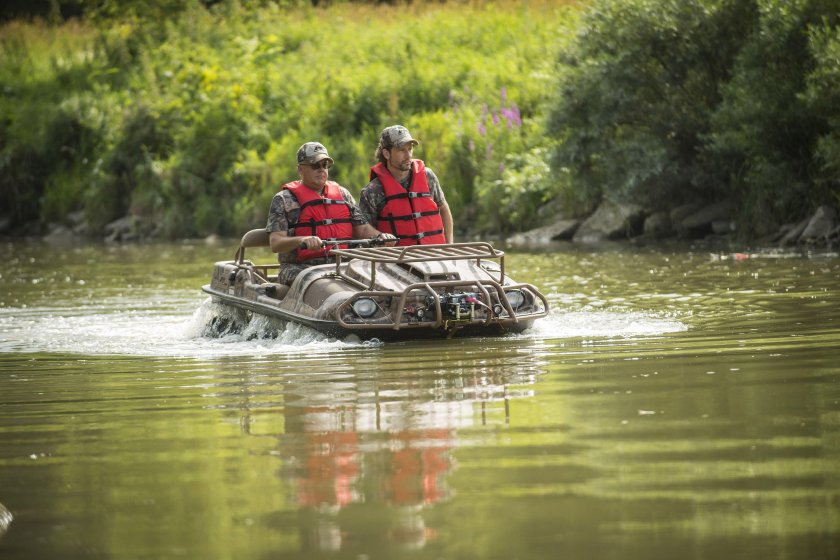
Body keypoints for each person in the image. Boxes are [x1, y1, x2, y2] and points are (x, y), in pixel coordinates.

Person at [267, 141, 394, 285]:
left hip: (343, 264)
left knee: (378, 280)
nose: (321, 170)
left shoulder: (343, 194)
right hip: (300, 268)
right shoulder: (283, 200)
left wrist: (380, 237)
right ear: (301, 169)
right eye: (315, 165)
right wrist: (302, 240)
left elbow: (362, 228)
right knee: (321, 285)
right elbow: (276, 243)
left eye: (325, 165)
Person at [359, 125, 454, 246]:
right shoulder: (371, 192)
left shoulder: (427, 176)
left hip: (433, 256)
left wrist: (449, 244)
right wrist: (379, 237)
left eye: (410, 149)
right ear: (386, 154)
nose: (408, 155)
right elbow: (362, 230)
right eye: (402, 150)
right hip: (397, 261)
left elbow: (444, 209)